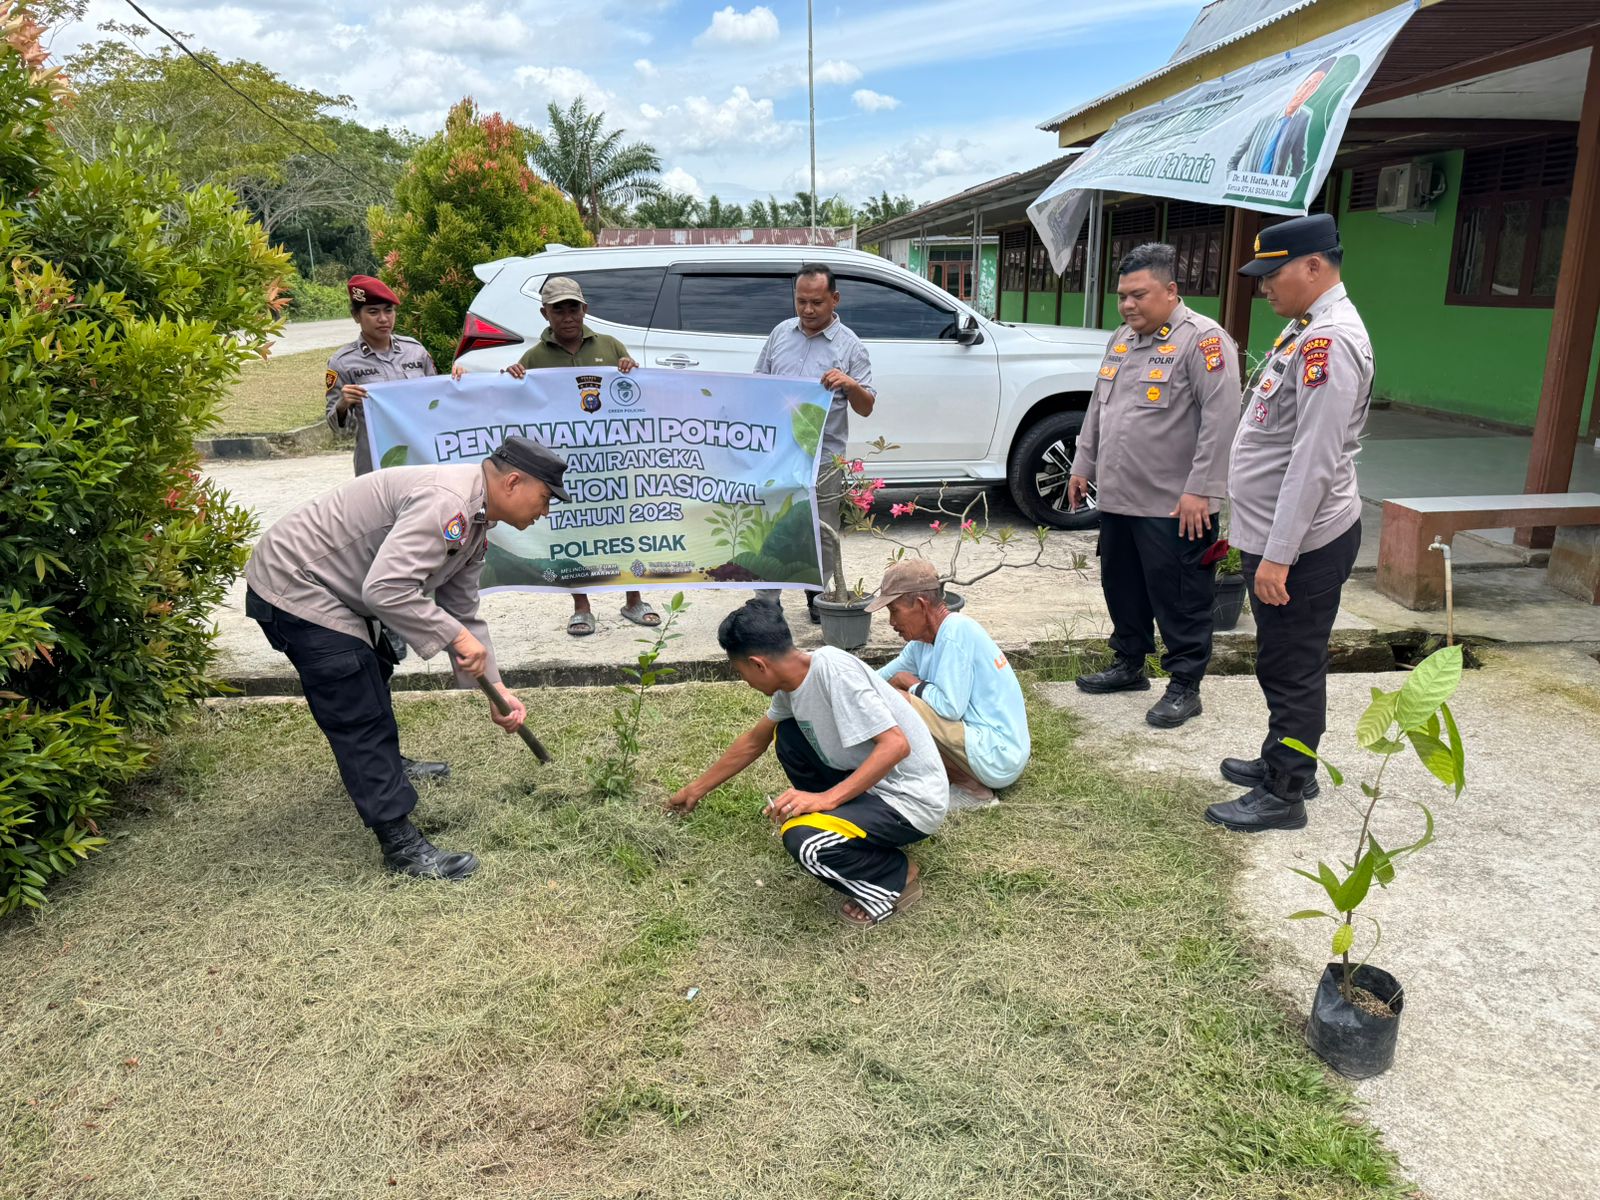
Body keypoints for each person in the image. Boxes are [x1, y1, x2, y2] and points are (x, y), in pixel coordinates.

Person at [244, 436, 568, 878]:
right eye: (546, 498)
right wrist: (455, 637)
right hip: (297, 583)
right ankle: (400, 844)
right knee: (355, 702)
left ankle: (388, 766)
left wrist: (496, 692)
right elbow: (385, 590)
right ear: (513, 482)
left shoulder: (476, 522)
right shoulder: (448, 503)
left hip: (336, 588)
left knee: (374, 668)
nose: (545, 511)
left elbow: (461, 611)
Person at [1205, 214, 1370, 834]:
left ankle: (1285, 792)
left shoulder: (1331, 342)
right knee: (1283, 658)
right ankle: (1286, 757)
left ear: (1314, 266)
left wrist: (1279, 553)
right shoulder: (1307, 329)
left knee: (1292, 665)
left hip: (1303, 542)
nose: (1264, 286)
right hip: (1285, 534)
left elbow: (1314, 458)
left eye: (1272, 274)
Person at [667, 601, 946, 926]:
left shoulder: (833, 670)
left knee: (804, 841)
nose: (744, 681)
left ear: (758, 664)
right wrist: (695, 790)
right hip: (874, 788)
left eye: (740, 672)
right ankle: (846, 830)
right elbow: (755, 741)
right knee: (787, 735)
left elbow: (896, 746)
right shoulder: (792, 684)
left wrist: (826, 798)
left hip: (912, 801)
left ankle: (896, 878)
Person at [1067, 242, 1240, 728]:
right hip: (1119, 498)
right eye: (1122, 296)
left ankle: (1185, 684)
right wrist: (1083, 464)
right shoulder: (1122, 339)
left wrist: (1202, 489)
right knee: (1122, 586)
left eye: (1138, 295)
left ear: (1170, 290)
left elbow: (1222, 419)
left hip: (1174, 505)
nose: (1127, 305)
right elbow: (1099, 407)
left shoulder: (1203, 341)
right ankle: (1129, 663)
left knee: (1182, 596)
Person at [455, 276, 653, 638]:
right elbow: (516, 401)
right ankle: (581, 606)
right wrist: (512, 377)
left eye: (573, 307)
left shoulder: (610, 346)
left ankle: (633, 599)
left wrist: (630, 369)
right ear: (545, 314)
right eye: (558, 309)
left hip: (610, 463)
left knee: (622, 529)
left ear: (584, 309)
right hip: (563, 465)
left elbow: (635, 394)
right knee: (572, 532)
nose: (567, 316)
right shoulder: (534, 357)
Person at [752, 264, 876, 622]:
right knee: (772, 523)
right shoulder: (780, 333)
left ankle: (818, 597)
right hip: (778, 453)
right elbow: (758, 383)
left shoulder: (851, 347)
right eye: (801, 301)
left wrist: (850, 384)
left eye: (817, 302)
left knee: (822, 530)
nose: (807, 310)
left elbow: (866, 407)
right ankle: (766, 603)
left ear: (834, 299)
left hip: (824, 458)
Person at [869, 559, 1031, 808]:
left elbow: (950, 707)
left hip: (999, 755)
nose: (891, 622)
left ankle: (973, 790)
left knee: (897, 702)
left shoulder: (956, 631)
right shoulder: (921, 644)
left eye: (894, 611)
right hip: (982, 749)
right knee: (887, 696)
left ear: (921, 605)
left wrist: (908, 682)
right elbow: (877, 681)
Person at [325, 275, 437, 477]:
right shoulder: (342, 362)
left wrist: (459, 381)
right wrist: (343, 405)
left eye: (389, 310)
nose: (383, 319)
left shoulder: (415, 351)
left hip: (422, 458)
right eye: (373, 312)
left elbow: (437, 402)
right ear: (356, 316)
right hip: (375, 465)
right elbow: (339, 431)